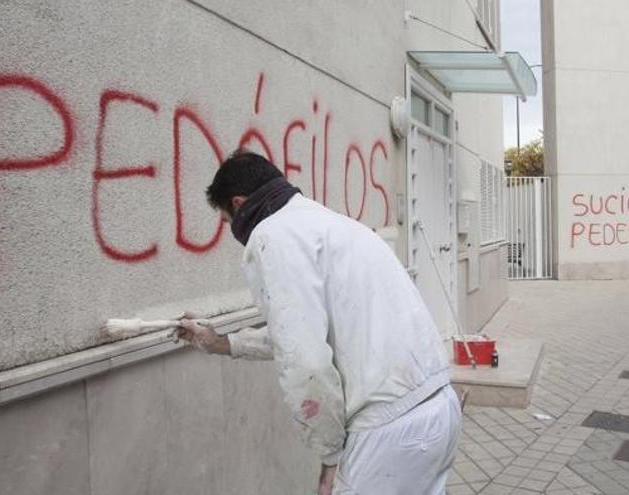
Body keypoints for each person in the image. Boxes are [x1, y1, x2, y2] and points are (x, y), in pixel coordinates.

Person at [174, 150, 461, 494]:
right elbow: (301, 331)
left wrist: (330, 457)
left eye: (225, 220)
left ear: (238, 204)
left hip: (390, 430)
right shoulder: (328, 224)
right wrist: (223, 342)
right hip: (439, 408)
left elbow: (305, 360)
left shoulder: (271, 236)